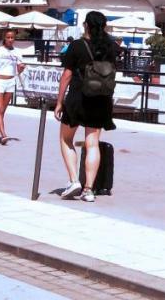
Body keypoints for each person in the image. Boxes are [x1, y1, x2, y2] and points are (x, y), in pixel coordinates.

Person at [54, 11, 118, 203]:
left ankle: (74, 180)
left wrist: (59, 101)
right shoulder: (111, 47)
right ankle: (88, 189)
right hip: (101, 99)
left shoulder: (77, 45)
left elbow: (66, 75)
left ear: (86, 25)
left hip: (78, 98)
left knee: (66, 139)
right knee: (92, 144)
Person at [0, 29, 25, 144]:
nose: (10, 40)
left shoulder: (17, 52)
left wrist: (21, 68)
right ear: (4, 38)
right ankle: (4, 135)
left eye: (12, 37)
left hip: (10, 82)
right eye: (8, 37)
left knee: (2, 111)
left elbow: (18, 70)